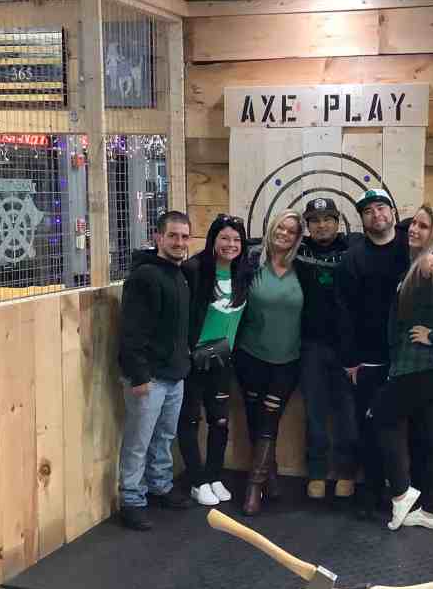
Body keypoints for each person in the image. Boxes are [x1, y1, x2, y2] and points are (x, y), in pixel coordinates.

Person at [374, 205, 433, 532]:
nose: (414, 229)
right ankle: (432, 512)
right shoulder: (418, 265)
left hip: (426, 364)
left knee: (382, 415)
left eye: (424, 226)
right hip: (432, 367)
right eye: (413, 223)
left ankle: (401, 493)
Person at [336, 188, 418, 518]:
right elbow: (343, 311)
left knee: (408, 429)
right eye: (368, 211)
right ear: (362, 219)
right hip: (368, 358)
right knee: (369, 428)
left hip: (408, 356)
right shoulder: (352, 258)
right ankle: (372, 492)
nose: (376, 214)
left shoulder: (410, 246)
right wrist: (350, 359)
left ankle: (408, 494)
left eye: (382, 207)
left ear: (393, 213)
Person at [116, 210, 194, 531]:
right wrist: (139, 375)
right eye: (172, 235)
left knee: (164, 437)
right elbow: (131, 331)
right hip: (148, 378)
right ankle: (132, 500)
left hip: (174, 375)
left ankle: (160, 486)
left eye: (184, 236)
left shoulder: (179, 275)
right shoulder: (144, 277)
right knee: (138, 441)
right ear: (158, 237)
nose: (179, 242)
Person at [236, 208, 306, 516]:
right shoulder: (251, 262)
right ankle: (270, 476)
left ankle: (254, 486)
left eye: (291, 231)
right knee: (254, 417)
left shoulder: (303, 267)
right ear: (272, 227)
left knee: (269, 419)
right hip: (250, 355)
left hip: (287, 359)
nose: (284, 234)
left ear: (297, 237)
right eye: (281, 227)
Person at [177, 214, 250, 506]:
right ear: (213, 240)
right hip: (194, 359)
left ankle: (214, 475)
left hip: (223, 359)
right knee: (190, 419)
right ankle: (197, 481)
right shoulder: (194, 270)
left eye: (236, 239)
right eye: (224, 238)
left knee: (219, 421)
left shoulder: (244, 273)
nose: (231, 244)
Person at [296, 198, 357, 500]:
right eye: (315, 220)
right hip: (310, 346)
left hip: (347, 348)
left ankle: (346, 472)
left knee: (347, 413)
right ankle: (317, 472)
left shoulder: (353, 249)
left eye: (328, 219)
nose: (322, 225)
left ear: (338, 222)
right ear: (307, 225)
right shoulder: (298, 251)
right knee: (314, 413)